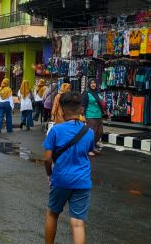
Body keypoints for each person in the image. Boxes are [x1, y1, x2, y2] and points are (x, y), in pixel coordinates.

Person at [42, 92, 95, 244]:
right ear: (81, 110)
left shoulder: (56, 131)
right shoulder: (89, 132)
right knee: (78, 223)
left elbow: (47, 158)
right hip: (82, 181)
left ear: (62, 110)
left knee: (52, 214)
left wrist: (49, 174)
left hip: (61, 179)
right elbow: (89, 151)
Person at [82, 78, 104, 152]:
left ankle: (92, 145)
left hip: (99, 115)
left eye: (94, 83)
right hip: (90, 115)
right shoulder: (86, 93)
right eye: (91, 83)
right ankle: (90, 148)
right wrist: (84, 116)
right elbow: (83, 106)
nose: (93, 84)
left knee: (100, 132)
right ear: (89, 84)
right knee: (92, 133)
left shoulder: (98, 92)